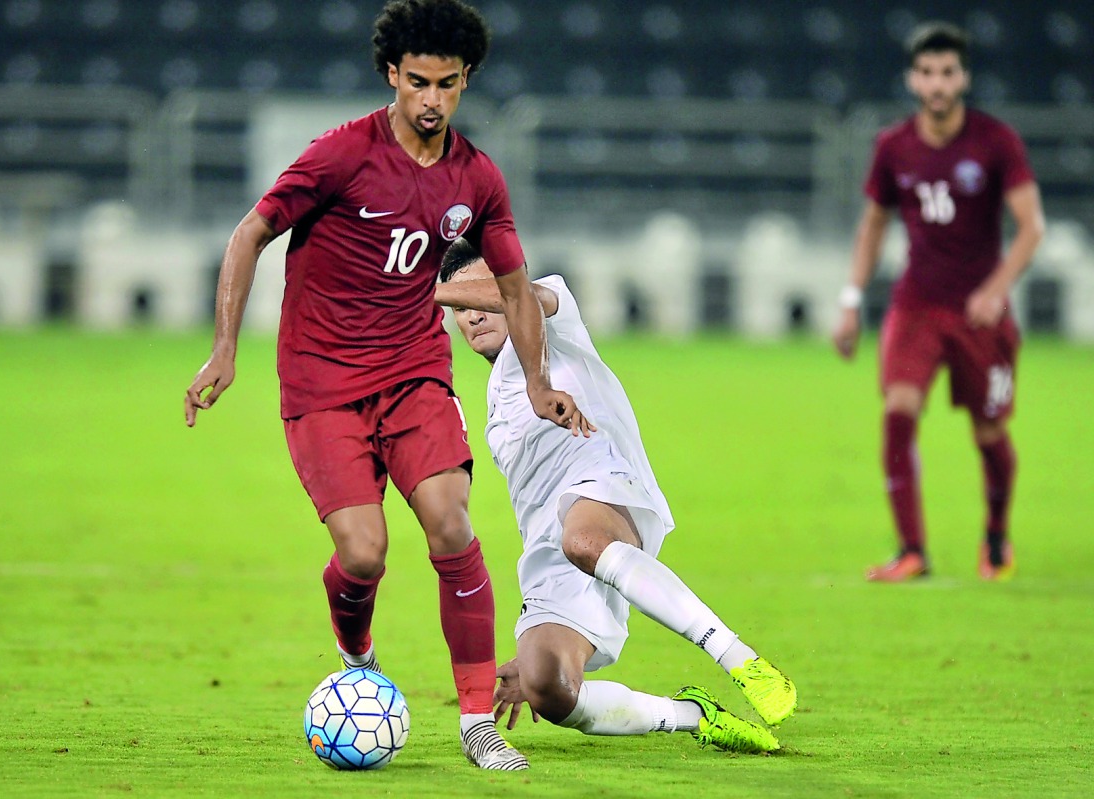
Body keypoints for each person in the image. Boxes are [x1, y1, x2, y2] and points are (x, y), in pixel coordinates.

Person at [183, 0, 589, 771]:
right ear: (391, 77)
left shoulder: (478, 178)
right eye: (417, 83)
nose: (431, 100)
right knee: (363, 553)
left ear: (466, 80)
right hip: (322, 382)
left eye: (447, 83)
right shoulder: (342, 155)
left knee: (451, 523)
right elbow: (250, 233)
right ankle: (354, 643)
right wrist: (223, 349)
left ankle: (477, 722)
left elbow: (512, 284)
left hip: (412, 375)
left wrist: (538, 383)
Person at [435, 240, 797, 755]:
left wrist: (425, 289)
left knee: (582, 537)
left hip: (604, 486)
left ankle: (738, 658)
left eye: (480, 295)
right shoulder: (495, 403)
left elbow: (525, 296)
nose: (472, 313)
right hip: (551, 549)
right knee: (547, 687)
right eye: (459, 309)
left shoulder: (552, 321)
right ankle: (693, 716)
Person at [833, 22, 1045, 583]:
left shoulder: (996, 142)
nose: (937, 83)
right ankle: (912, 550)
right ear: (912, 78)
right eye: (926, 72)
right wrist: (851, 300)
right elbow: (873, 226)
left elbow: (1031, 228)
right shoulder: (893, 146)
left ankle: (996, 537)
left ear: (964, 77)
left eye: (947, 72)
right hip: (917, 306)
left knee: (989, 433)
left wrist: (995, 289)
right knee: (898, 412)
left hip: (981, 314)